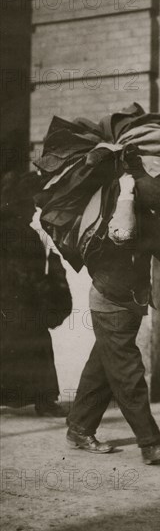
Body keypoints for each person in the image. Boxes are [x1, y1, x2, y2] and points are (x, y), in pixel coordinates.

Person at [65, 171, 160, 464]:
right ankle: (150, 443)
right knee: (128, 373)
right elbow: (123, 235)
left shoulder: (147, 215)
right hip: (110, 302)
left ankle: (79, 427)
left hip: (130, 302)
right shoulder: (119, 212)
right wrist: (127, 193)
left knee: (103, 367)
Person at [1, 171, 69, 417]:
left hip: (15, 305)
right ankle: (44, 400)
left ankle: (43, 399)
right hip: (18, 305)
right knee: (32, 349)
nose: (33, 211)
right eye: (29, 206)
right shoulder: (20, 233)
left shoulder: (21, 232)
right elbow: (28, 273)